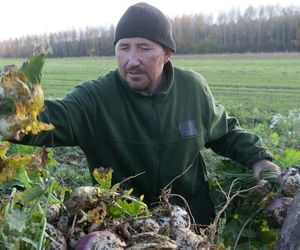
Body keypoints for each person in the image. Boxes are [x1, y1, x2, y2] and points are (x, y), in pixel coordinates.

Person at [5, 2, 280, 225]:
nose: (132, 60)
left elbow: (225, 132)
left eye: (144, 48)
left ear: (167, 54)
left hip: (193, 226)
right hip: (123, 227)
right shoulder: (95, 98)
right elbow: (45, 121)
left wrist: (258, 158)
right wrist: (8, 110)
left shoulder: (192, 89)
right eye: (123, 48)